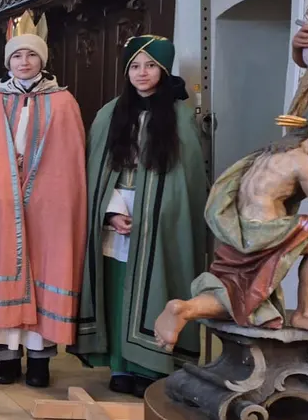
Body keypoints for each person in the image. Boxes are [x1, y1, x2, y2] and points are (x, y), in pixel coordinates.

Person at [72, 36, 208, 397]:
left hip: (163, 218)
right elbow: (95, 171)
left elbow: (188, 180)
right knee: (118, 286)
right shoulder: (109, 113)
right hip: (118, 211)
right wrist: (111, 212)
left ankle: (151, 365)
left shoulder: (180, 118)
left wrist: (161, 213)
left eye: (150, 66)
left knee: (159, 283)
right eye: (134, 66)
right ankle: (119, 364)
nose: (141, 73)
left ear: (163, 70)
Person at [0, 13, 86, 388]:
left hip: (48, 205)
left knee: (45, 270)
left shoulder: (63, 102)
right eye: (17, 56)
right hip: (0, 203)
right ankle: (6, 358)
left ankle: (40, 360)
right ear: (8, 62)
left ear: (42, 60)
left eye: (31, 55)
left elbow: (70, 159)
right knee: (3, 266)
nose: (24, 62)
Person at [155, 108, 308, 347]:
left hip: (241, 229)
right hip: (267, 231)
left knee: (237, 292)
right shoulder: (302, 162)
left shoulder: (269, 153)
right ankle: (306, 313)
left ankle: (185, 308)